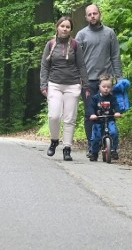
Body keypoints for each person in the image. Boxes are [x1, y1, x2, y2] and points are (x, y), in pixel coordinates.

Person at [40, 16, 87, 161]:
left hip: (72, 85)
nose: (65, 29)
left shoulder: (75, 45)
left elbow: (81, 65)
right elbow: (44, 66)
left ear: (71, 30)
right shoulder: (50, 44)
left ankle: (67, 148)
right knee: (54, 116)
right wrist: (43, 85)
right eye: (62, 26)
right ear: (57, 27)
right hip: (54, 84)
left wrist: (85, 84)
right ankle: (54, 141)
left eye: (68, 27)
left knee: (69, 119)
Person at [75, 4, 123, 144]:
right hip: (87, 81)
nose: (92, 16)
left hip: (106, 81)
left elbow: (115, 56)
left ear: (99, 14)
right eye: (89, 14)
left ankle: (107, 143)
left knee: (108, 113)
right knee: (91, 114)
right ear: (86, 17)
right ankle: (92, 145)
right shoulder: (81, 35)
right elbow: (76, 60)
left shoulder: (109, 33)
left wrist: (119, 78)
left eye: (95, 13)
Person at [87, 74, 122, 161]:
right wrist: (92, 114)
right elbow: (90, 107)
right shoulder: (95, 98)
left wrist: (117, 112)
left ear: (111, 88)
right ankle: (94, 153)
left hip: (109, 119)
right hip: (98, 120)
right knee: (96, 137)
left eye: (108, 87)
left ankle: (113, 150)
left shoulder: (112, 98)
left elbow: (116, 106)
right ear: (99, 86)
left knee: (114, 132)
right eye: (104, 86)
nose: (106, 89)